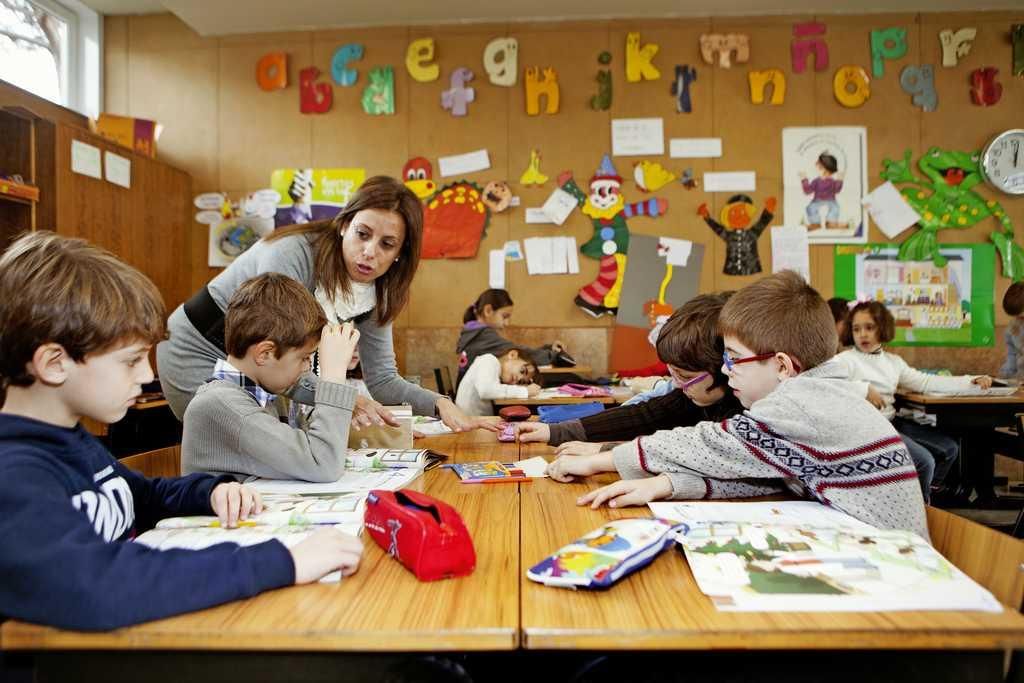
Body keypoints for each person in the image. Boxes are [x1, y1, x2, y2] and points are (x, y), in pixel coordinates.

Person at [0, 232, 362, 631]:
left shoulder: (70, 440)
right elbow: (98, 585)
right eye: (131, 360)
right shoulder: (14, 474)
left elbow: (143, 495)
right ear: (54, 363)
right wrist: (284, 561)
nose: (147, 374)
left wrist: (208, 491)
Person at [546, 271, 928, 538]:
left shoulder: (800, 405)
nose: (727, 372)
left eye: (733, 358)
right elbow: (770, 479)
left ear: (781, 365)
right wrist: (671, 484)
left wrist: (600, 461)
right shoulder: (818, 393)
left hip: (891, 578)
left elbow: (711, 444)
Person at [157, 176, 491, 434]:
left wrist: (440, 404)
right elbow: (279, 360)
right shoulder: (291, 255)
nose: (370, 251)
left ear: (400, 253)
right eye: (362, 234)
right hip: (198, 349)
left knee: (277, 450)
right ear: (344, 224)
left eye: (387, 244)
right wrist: (347, 398)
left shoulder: (378, 291)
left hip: (265, 365)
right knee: (251, 451)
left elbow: (384, 380)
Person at [182, 274, 361, 482]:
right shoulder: (222, 405)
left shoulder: (268, 393)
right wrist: (333, 378)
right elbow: (324, 463)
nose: (306, 368)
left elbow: (310, 457)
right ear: (264, 354)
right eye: (304, 358)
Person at [517, 293, 743, 454]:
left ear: (725, 367)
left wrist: (607, 453)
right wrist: (553, 431)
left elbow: (693, 452)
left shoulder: (745, 410)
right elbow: (645, 415)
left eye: (684, 376)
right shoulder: (696, 394)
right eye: (672, 373)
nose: (677, 384)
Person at [835, 300, 992, 498]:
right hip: (868, 428)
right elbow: (824, 385)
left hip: (892, 423)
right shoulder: (845, 360)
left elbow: (927, 382)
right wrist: (863, 389)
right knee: (924, 461)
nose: (863, 334)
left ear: (882, 328)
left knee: (949, 449)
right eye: (856, 329)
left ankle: (924, 495)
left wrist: (971, 381)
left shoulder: (893, 362)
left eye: (869, 327)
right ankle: (921, 507)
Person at [456, 288, 565, 387]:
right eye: (505, 316)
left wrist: (548, 349)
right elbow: (518, 351)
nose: (507, 323)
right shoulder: (483, 335)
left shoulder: (473, 332)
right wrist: (553, 354)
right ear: (488, 311)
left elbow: (518, 351)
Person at [455, 349, 540, 416]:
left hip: (476, 423)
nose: (519, 378)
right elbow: (486, 390)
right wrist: (525, 391)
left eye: (521, 381)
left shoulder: (496, 372)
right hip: (470, 427)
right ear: (512, 355)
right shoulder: (489, 360)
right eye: (522, 371)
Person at [800, 152, 844, 229]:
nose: (816, 168)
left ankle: (832, 223)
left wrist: (840, 180)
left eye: (819, 166)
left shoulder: (832, 181)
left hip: (831, 201)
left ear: (826, 169)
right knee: (810, 208)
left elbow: (837, 190)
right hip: (817, 200)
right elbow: (807, 191)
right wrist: (804, 179)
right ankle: (815, 223)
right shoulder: (816, 181)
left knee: (835, 208)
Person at [1000, 282, 1024, 381]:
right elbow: (1012, 356)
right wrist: (1002, 378)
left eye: (1022, 316)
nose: (1019, 320)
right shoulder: (1012, 329)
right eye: (1017, 316)